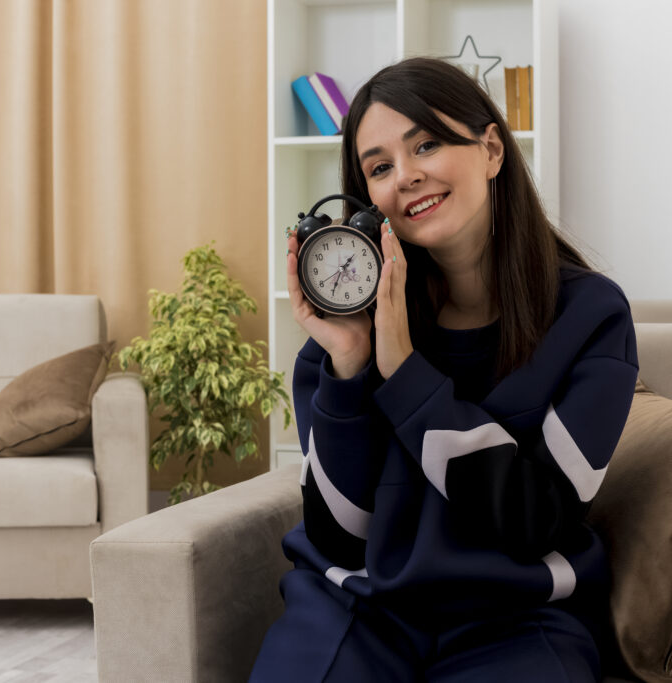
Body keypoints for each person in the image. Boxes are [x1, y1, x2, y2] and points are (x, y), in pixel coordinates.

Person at [250, 57, 638, 682]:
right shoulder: (347, 328)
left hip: (518, 617)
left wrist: (403, 371)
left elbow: (536, 521)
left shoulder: (591, 317)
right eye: (379, 167)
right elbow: (340, 539)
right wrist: (351, 366)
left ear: (490, 149)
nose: (405, 177)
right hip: (361, 606)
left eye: (425, 143)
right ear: (367, 198)